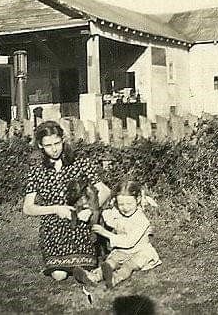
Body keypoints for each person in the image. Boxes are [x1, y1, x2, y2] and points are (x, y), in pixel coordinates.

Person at [22, 120, 111, 281]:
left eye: (57, 143)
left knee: (81, 267)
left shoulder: (80, 163)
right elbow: (28, 208)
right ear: (41, 146)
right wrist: (56, 209)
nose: (54, 149)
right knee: (59, 275)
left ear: (63, 140)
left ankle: (89, 267)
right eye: (48, 145)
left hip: (80, 223)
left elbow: (105, 191)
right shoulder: (35, 171)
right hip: (53, 227)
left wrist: (90, 210)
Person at [72, 180, 161, 288]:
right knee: (110, 262)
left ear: (137, 200)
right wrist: (98, 210)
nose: (125, 208)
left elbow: (129, 242)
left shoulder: (141, 220)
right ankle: (93, 277)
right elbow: (108, 216)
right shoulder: (117, 212)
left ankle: (114, 279)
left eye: (129, 204)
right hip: (122, 251)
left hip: (140, 251)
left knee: (128, 265)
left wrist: (106, 233)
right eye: (121, 204)